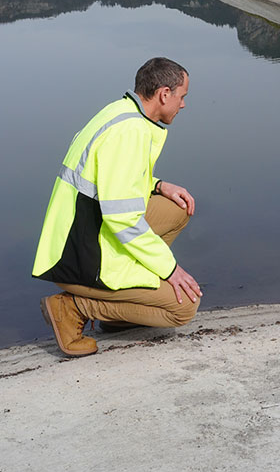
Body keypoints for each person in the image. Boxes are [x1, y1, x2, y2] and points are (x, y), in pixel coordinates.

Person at [33, 56, 201, 357]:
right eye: (182, 96)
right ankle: (73, 307)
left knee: (177, 209)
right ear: (164, 94)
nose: (184, 105)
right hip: (79, 256)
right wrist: (170, 269)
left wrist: (159, 185)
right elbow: (122, 219)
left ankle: (121, 310)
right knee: (184, 308)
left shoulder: (123, 112)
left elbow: (113, 182)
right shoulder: (130, 133)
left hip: (88, 232)